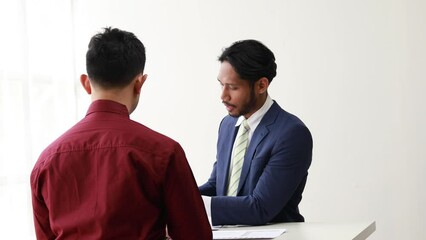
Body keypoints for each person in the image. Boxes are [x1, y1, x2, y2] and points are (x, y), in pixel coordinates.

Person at [30, 27, 212, 240]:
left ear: (86, 83)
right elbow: (195, 234)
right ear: (139, 83)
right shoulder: (164, 152)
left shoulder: (46, 160)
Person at [199, 39, 313, 226]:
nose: (223, 96)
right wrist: (173, 197)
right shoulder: (228, 125)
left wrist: (190, 203)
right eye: (221, 85)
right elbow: (217, 186)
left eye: (233, 87)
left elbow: (260, 207)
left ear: (261, 85)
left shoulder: (291, 134)